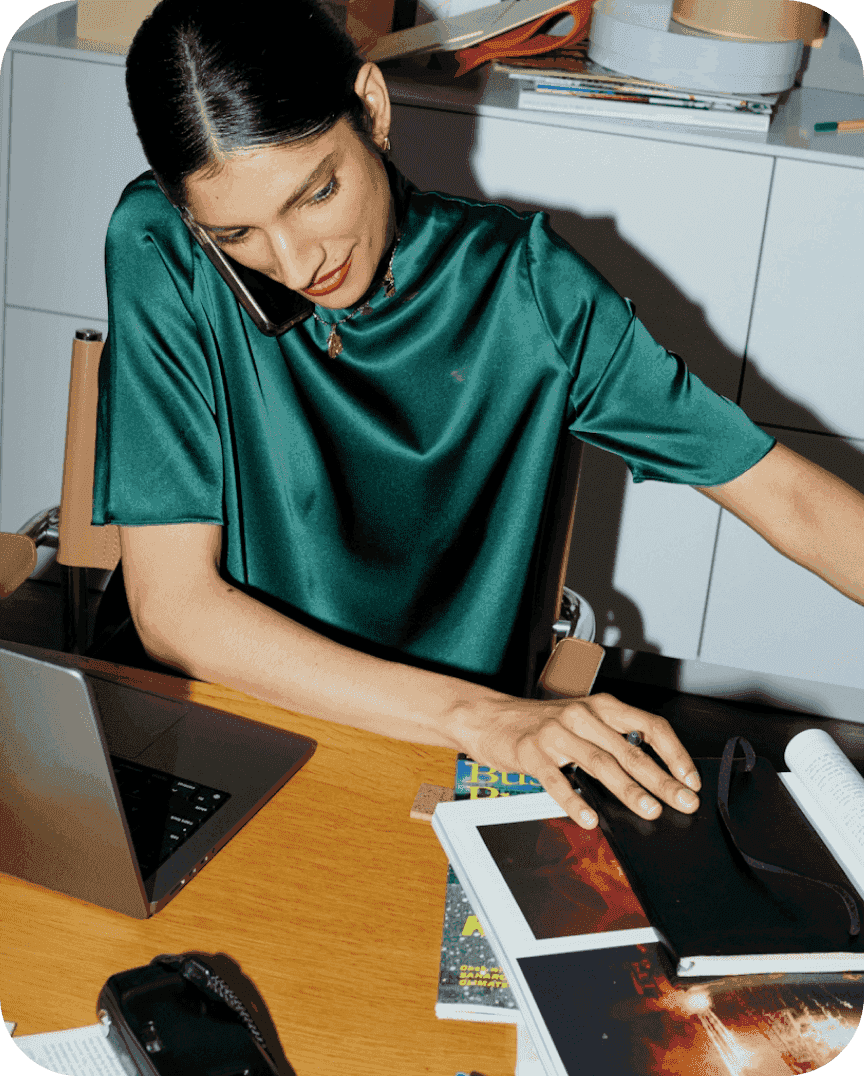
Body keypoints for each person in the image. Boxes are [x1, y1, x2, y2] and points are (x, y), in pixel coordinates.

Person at [93, 0, 864, 831]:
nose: (294, 262)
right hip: (206, 732)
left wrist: (478, 723)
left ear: (374, 109)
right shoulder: (160, 244)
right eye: (237, 231)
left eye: (316, 193)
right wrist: (485, 718)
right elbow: (173, 613)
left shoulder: (526, 292)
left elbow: (788, 498)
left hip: (420, 757)